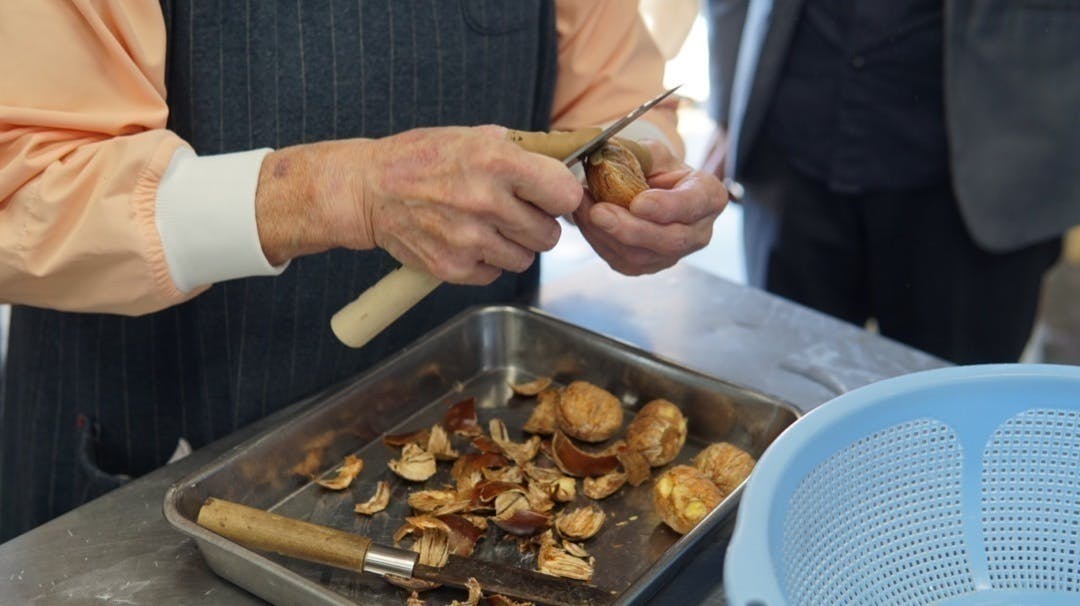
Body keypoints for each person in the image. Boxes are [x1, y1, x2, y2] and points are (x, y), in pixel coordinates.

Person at [0, 1, 727, 540]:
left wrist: (644, 164)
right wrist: (341, 190)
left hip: (464, 427)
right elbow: (24, 187)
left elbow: (610, 85)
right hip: (168, 443)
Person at [705, 0, 1080, 364]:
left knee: (954, 396)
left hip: (991, 162)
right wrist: (727, 105)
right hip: (792, 142)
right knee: (779, 378)